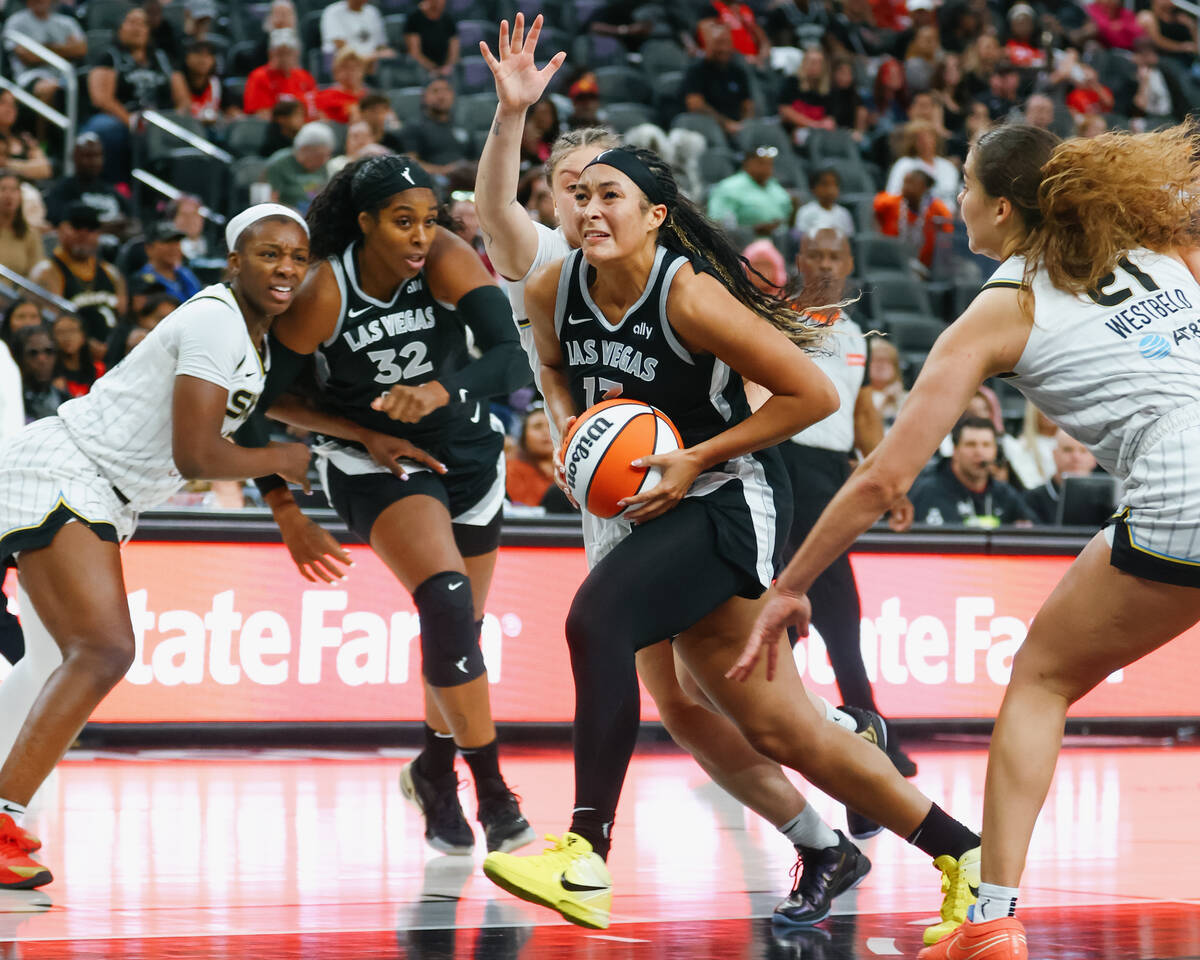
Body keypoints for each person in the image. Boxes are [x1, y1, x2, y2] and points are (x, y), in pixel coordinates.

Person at [475, 15, 910, 929]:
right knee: (683, 702)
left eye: (604, 189)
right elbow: (497, 221)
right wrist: (569, 432)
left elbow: (765, 387)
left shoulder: (657, 275)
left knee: (701, 681)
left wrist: (702, 450)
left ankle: (606, 840)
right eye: (570, 186)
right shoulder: (549, 264)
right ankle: (824, 835)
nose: (583, 203)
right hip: (616, 493)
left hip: (703, 488)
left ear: (642, 206)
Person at [736, 122, 1200, 960]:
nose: (955, 200)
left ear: (999, 207)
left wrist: (791, 583)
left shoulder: (1002, 306)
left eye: (962, 185)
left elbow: (883, 478)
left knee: (1041, 680)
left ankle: (991, 918)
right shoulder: (1152, 243)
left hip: (1180, 477)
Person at [0, 204, 313, 890]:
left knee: (62, 657)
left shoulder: (254, 343)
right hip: (64, 470)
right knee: (104, 649)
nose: (286, 266)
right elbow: (196, 449)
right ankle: (1, 821)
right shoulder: (213, 320)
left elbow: (256, 421)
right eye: (269, 254)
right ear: (234, 262)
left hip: (95, 489)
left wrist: (294, 496)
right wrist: (288, 461)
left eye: (297, 256)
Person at [245, 155, 536, 858]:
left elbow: (512, 358)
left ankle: (432, 770)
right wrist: (343, 448)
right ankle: (493, 793)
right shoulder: (325, 292)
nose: (419, 235)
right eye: (403, 221)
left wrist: (443, 390)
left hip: (467, 453)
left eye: (430, 219)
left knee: (462, 627)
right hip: (377, 464)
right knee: (444, 599)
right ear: (366, 222)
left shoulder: (445, 257)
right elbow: (259, 400)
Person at [772, 228, 918, 779]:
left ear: (850, 262)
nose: (828, 263)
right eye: (818, 254)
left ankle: (774, 726)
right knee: (835, 606)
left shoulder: (858, 334)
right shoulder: (780, 319)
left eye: (837, 255)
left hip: (828, 471)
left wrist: (891, 481)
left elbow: (859, 415)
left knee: (796, 607)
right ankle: (873, 732)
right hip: (785, 460)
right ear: (801, 259)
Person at [83, 7, 184, 183]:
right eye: (131, 22)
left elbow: (183, 99)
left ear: (148, 30)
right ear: (120, 28)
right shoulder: (109, 56)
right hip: (121, 118)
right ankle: (117, 185)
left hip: (160, 120)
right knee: (106, 129)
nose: (137, 28)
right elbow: (101, 99)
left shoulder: (162, 59)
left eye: (142, 23)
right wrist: (131, 121)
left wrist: (178, 120)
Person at [29, 204, 126, 362]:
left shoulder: (111, 272)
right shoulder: (47, 272)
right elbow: (53, 324)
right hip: (71, 358)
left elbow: (123, 318)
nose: (84, 234)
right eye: (77, 227)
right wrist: (86, 344)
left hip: (112, 355)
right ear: (61, 230)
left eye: (91, 229)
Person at [911, 416, 1036, 526]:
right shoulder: (926, 492)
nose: (979, 452)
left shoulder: (1005, 495)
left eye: (986, 445)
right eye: (971, 444)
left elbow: (1035, 531)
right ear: (955, 450)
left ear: (995, 451)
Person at [43, 134, 135, 241]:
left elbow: (133, 222)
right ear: (75, 157)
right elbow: (59, 223)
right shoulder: (62, 190)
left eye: (98, 156)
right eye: (88, 156)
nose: (94, 162)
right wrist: (102, 228)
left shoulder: (111, 191)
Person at [1, 0, 87, 111]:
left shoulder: (67, 22)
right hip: (31, 76)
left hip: (65, 74)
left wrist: (43, 48)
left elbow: (81, 50)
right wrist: (65, 49)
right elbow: (28, 57)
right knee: (49, 88)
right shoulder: (16, 21)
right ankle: (43, 129)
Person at [682, 22, 756, 140]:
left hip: (739, 128)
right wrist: (726, 124)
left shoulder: (738, 71)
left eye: (727, 42)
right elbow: (695, 105)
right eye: (718, 43)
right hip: (709, 128)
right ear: (707, 44)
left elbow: (748, 104)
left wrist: (745, 124)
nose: (724, 48)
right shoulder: (696, 70)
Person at [873, 167, 954, 273]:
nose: (905, 187)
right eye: (904, 182)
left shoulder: (938, 209)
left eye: (911, 183)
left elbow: (947, 238)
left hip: (926, 268)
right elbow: (872, 210)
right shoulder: (890, 203)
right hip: (891, 262)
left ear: (924, 188)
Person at [706, 145, 793, 236]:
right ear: (747, 163)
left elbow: (787, 218)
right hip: (743, 243)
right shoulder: (729, 187)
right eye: (761, 163)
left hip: (779, 241)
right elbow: (717, 224)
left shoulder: (775, 187)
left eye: (769, 164)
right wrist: (751, 230)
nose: (766, 168)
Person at [1024, 429, 1100, 525]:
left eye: (1083, 451)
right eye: (1067, 450)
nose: (1076, 457)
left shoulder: (1108, 500)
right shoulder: (1032, 500)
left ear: (1096, 458)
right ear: (1054, 455)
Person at [402, 78, 474, 178]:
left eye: (446, 90)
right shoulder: (414, 126)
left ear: (453, 95)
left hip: (467, 179)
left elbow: (477, 159)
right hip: (433, 181)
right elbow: (411, 163)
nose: (441, 96)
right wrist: (445, 171)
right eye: (435, 91)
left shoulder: (464, 125)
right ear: (424, 97)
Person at [885, 120, 961, 210]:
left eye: (929, 137)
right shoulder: (904, 165)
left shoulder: (948, 167)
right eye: (920, 138)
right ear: (912, 142)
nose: (926, 141)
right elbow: (891, 197)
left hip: (947, 220)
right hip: (913, 220)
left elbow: (958, 198)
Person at [244, 30, 316, 121]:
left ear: (296, 54)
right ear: (271, 54)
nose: (284, 58)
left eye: (288, 53)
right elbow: (262, 116)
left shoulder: (305, 76)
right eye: (280, 53)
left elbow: (316, 109)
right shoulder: (259, 77)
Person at [265, 122, 335, 212]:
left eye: (328, 155)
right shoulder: (278, 164)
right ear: (304, 149)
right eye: (320, 156)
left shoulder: (322, 166)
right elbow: (270, 202)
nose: (325, 160)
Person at [131, 222, 203, 304]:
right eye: (167, 242)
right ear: (149, 248)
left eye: (177, 242)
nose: (174, 247)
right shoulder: (142, 282)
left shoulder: (186, 274)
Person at [13, 325, 68, 422]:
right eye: (33, 353)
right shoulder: (9, 401)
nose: (42, 360)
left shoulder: (66, 401)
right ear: (19, 358)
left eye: (49, 352)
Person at [319, 0, 395, 68]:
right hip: (344, 63)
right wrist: (369, 57)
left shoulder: (373, 11)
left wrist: (382, 53)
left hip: (372, 62)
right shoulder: (332, 12)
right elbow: (341, 46)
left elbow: (381, 45)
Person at [505, 406, 556, 506]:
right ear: (524, 437)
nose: (546, 432)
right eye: (537, 426)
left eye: (552, 426)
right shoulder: (512, 470)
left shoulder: (574, 469)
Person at [0, 169, 43, 280]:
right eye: (3, 189)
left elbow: (36, 276)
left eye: (14, 190)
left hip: (17, 295)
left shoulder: (30, 235)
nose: (8, 195)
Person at [794, 166, 855, 238]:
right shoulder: (805, 211)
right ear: (813, 188)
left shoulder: (844, 213)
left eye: (835, 184)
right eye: (825, 184)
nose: (830, 190)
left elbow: (849, 239)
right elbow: (800, 239)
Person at [315, 48, 371, 126]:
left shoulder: (369, 96)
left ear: (362, 71)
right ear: (335, 72)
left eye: (355, 67)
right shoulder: (325, 96)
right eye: (345, 67)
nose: (351, 72)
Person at [404, 0, 460, 78]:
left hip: (445, 67)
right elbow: (415, 52)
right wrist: (433, 68)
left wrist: (448, 66)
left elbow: (454, 49)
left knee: (454, 72)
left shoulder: (448, 18)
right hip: (422, 67)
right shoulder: (414, 18)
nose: (439, 2)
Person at [51, 314, 102, 398]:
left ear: (83, 336)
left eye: (72, 330)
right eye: (60, 332)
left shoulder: (99, 371)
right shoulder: (51, 377)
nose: (67, 337)